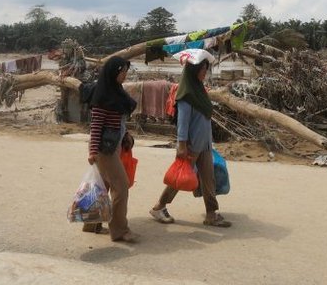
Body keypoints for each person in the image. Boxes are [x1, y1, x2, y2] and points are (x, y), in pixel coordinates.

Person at [150, 56, 231, 228]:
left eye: (206, 69)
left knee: (209, 180)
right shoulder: (186, 94)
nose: (205, 73)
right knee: (179, 179)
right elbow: (183, 122)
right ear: (194, 70)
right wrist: (181, 145)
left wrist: (209, 142)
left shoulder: (200, 91)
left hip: (205, 144)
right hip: (191, 145)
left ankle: (211, 214)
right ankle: (159, 207)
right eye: (203, 69)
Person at [86, 55, 139, 242]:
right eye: (122, 71)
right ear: (113, 73)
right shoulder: (102, 97)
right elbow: (96, 126)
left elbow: (118, 122)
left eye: (126, 71)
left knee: (103, 185)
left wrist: (126, 135)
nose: (125, 75)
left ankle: (91, 222)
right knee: (121, 186)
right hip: (104, 150)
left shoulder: (116, 92)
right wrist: (92, 151)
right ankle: (119, 230)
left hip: (114, 146)